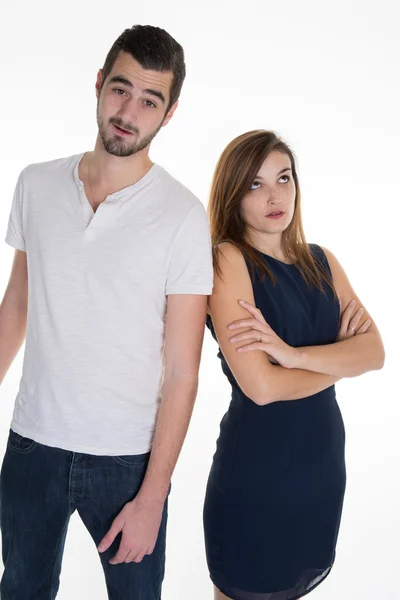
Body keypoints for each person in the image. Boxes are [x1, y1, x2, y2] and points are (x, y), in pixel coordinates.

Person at [0, 24, 213, 599]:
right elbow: (18, 303)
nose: (129, 111)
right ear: (98, 84)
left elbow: (183, 371)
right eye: (120, 89)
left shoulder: (182, 216)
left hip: (127, 462)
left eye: (150, 100)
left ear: (169, 114)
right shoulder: (36, 184)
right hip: (31, 445)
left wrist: (153, 496)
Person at [203, 130, 385, 600]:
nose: (275, 195)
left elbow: (376, 353)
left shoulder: (323, 261)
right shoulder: (227, 259)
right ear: (233, 194)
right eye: (255, 184)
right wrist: (342, 361)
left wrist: (293, 356)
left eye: (283, 178)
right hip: (258, 476)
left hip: (320, 469)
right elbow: (261, 388)